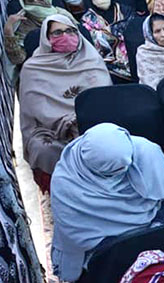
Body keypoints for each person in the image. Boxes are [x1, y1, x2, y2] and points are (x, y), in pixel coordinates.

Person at [50, 123, 164, 282]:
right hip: (103, 246)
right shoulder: (65, 182)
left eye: (127, 165)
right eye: (114, 172)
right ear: (94, 170)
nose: (127, 170)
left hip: (154, 225)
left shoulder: (145, 150)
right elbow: (77, 234)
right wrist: (131, 246)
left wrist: (158, 226)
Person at [19, 14, 111, 191]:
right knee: (42, 149)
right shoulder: (33, 68)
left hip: (93, 121)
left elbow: (103, 97)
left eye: (70, 31)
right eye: (57, 33)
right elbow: (37, 108)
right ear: (46, 38)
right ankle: (67, 194)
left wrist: (84, 121)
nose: (65, 36)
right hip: (53, 129)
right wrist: (68, 123)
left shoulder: (91, 58)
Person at [4, 0, 75, 69]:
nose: (36, 3)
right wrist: (9, 31)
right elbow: (18, 59)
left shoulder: (62, 15)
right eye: (30, 1)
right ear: (24, 3)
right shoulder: (24, 23)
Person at [80, 0, 133, 81]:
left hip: (131, 52)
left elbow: (133, 27)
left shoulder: (124, 10)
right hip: (106, 60)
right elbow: (92, 39)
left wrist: (111, 31)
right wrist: (114, 34)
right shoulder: (88, 18)